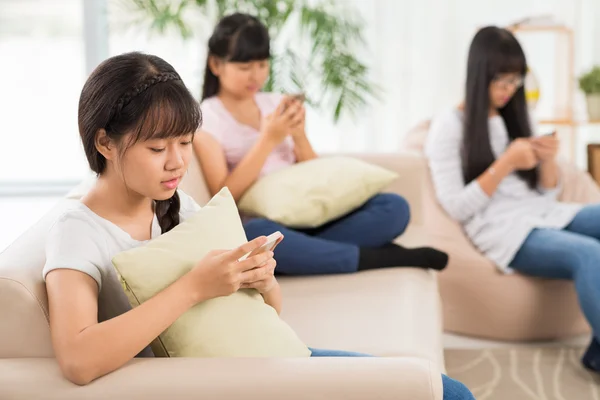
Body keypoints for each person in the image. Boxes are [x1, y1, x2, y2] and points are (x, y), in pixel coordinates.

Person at [43, 51, 474, 400]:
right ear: (105, 142)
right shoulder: (78, 229)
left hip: (268, 360)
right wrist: (194, 286)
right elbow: (78, 359)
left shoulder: (177, 206)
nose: (177, 161)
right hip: (232, 381)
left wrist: (263, 281)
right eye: (158, 147)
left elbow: (271, 312)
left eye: (186, 143)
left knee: (446, 390)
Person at [193, 13, 449, 275]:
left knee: (394, 207)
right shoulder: (208, 119)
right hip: (268, 223)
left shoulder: (274, 103)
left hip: (311, 214)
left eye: (262, 65)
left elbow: (312, 172)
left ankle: (310, 254)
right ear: (216, 64)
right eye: (244, 67)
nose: (255, 76)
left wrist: (299, 134)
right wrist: (268, 140)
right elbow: (222, 196)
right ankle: (379, 257)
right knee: (257, 236)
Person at [425, 25, 600, 372]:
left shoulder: (517, 115)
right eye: (501, 81)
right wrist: (505, 164)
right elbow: (457, 206)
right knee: (589, 254)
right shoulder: (448, 127)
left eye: (515, 81)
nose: (509, 91)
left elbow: (545, 191)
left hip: (542, 213)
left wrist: (547, 158)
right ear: (479, 76)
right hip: (501, 230)